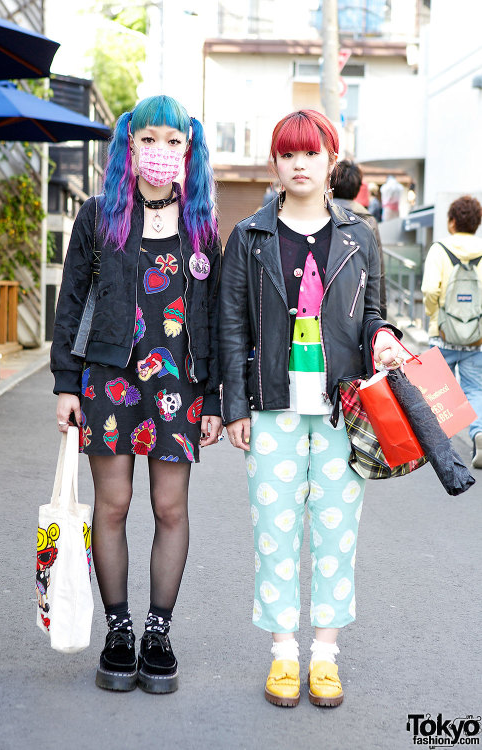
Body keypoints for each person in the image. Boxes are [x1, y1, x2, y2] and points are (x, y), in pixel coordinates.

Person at [219, 109, 404, 709]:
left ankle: (324, 656)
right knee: (274, 535)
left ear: (331, 161)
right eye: (288, 153)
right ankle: (282, 654)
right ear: (274, 162)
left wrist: (383, 336)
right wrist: (235, 404)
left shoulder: (359, 235)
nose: (300, 163)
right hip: (271, 405)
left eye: (311, 153)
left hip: (341, 409)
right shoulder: (248, 237)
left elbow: (373, 311)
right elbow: (229, 325)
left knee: (334, 532)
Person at [51, 95, 222, 693]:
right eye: (149, 139)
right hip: (109, 378)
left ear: (189, 151)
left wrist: (219, 400)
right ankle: (118, 630)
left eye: (173, 142)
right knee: (114, 506)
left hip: (179, 382)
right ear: (130, 144)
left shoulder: (201, 223)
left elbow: (219, 314)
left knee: (171, 508)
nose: (160, 152)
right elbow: (71, 302)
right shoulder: (99, 215)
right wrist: (65, 383)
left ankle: (158, 630)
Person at [421, 195, 482, 469]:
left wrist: (437, 318)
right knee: (475, 389)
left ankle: (440, 448)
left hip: (442, 334)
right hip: (476, 337)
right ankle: (478, 434)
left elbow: (429, 289)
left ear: (452, 222)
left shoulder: (439, 249)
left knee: (437, 391)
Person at [331, 160, 387, 318]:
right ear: (357, 188)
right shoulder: (368, 221)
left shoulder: (321, 214)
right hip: (357, 308)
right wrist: (381, 319)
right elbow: (378, 274)